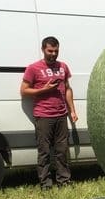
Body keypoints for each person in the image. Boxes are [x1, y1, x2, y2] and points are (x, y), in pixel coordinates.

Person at [21, 36, 78, 189]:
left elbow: (67, 89)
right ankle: (46, 184)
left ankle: (64, 181)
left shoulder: (63, 67)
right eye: (50, 51)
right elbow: (24, 90)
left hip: (61, 115)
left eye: (56, 51)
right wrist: (43, 90)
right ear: (43, 50)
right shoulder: (33, 68)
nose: (53, 54)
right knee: (44, 152)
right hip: (44, 115)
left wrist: (72, 110)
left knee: (62, 150)